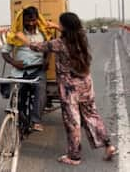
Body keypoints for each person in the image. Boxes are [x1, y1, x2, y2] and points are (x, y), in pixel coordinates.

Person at [15, 12, 117, 165]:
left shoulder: (59, 44)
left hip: (70, 88)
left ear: (65, 27)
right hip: (86, 84)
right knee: (92, 115)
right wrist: (54, 26)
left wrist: (23, 39)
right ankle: (108, 145)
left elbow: (38, 47)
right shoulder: (81, 37)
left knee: (72, 121)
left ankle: (74, 156)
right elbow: (77, 29)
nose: (58, 24)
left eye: (60, 23)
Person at [1, 6, 50, 132]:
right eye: (27, 21)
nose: (30, 23)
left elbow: (49, 48)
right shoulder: (16, 34)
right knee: (17, 97)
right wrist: (14, 62)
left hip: (37, 71)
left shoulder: (43, 33)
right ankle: (19, 119)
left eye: (33, 20)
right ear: (22, 20)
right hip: (19, 72)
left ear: (37, 19)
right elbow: (5, 53)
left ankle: (35, 121)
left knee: (40, 90)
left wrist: (46, 60)